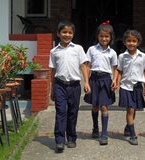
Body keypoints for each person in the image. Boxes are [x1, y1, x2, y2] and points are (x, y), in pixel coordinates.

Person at [49, 20, 90, 152]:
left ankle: (71, 138)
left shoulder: (78, 49)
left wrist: (86, 82)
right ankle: (60, 140)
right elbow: (53, 71)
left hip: (74, 86)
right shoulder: (54, 51)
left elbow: (83, 65)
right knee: (61, 112)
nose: (67, 35)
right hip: (60, 85)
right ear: (58, 34)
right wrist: (52, 89)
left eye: (70, 32)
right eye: (64, 32)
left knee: (72, 112)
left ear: (73, 34)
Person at [84, 20, 118, 145]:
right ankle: (95, 127)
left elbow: (115, 68)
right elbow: (88, 66)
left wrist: (114, 80)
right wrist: (86, 82)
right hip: (93, 79)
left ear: (110, 38)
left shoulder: (112, 52)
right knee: (94, 105)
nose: (104, 39)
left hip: (105, 80)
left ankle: (104, 133)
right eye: (101, 36)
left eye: (106, 36)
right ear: (97, 36)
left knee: (104, 106)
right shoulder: (92, 50)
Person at [117, 29, 145, 145]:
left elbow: (144, 71)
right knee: (130, 109)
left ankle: (128, 126)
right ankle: (133, 135)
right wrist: (117, 83)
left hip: (137, 86)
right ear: (125, 42)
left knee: (134, 109)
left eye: (134, 41)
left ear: (138, 42)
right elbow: (119, 71)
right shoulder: (122, 56)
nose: (131, 43)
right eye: (128, 41)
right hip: (125, 86)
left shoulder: (142, 56)